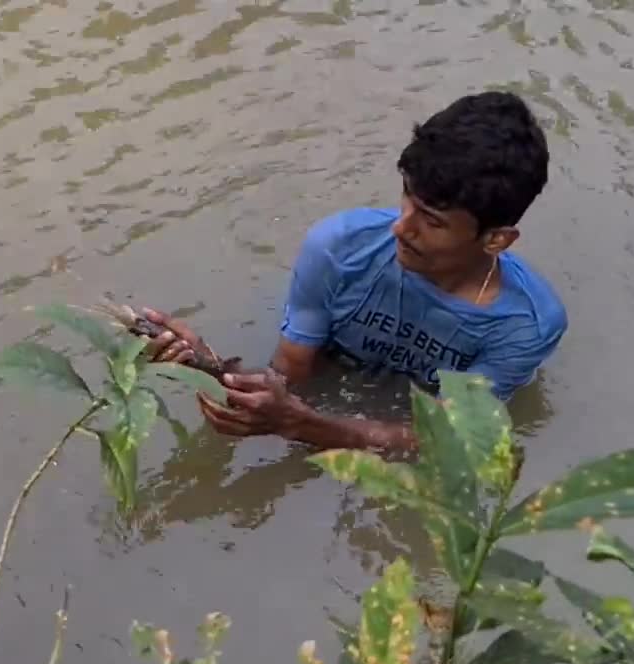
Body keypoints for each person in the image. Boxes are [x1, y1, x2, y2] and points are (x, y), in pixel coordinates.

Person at [142, 90, 567, 451]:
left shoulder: (524, 326)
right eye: (407, 197)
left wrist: (306, 426)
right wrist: (209, 365)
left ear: (496, 240)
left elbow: (448, 439)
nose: (401, 226)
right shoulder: (339, 248)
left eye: (432, 220)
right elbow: (288, 380)